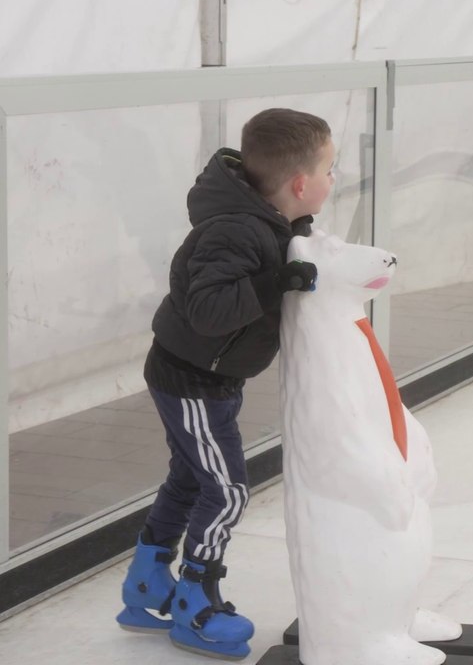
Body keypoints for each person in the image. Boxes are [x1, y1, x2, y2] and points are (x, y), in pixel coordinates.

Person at [116, 108, 333, 660]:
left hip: (203, 374)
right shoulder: (235, 229)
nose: (335, 181)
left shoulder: (268, 221)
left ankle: (145, 586)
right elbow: (211, 310)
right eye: (331, 170)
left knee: (191, 478)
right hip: (191, 378)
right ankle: (196, 598)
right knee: (228, 489)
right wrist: (276, 280)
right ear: (301, 184)